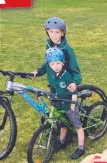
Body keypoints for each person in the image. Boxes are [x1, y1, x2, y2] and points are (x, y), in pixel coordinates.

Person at [32, 17, 83, 155]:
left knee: (68, 113)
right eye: (51, 32)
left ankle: (75, 139)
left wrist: (75, 83)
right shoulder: (49, 45)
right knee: (58, 112)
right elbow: (48, 63)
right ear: (47, 32)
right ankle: (63, 137)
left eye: (57, 32)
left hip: (67, 86)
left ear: (63, 32)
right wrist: (39, 71)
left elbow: (76, 71)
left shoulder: (67, 50)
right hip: (55, 86)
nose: (54, 35)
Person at [41, 47, 86, 159]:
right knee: (63, 123)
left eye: (58, 63)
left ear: (63, 63)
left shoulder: (66, 76)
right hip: (60, 104)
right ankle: (61, 141)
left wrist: (71, 107)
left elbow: (74, 92)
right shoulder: (52, 74)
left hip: (70, 105)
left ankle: (81, 148)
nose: (55, 66)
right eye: (52, 64)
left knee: (77, 126)